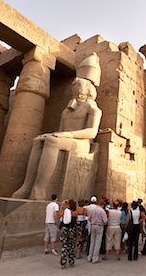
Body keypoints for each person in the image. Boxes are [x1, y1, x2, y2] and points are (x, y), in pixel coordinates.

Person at [12, 52, 102, 200]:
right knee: (38, 140)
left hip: (82, 144)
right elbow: (61, 130)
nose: (74, 89)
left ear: (86, 89)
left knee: (52, 141)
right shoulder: (67, 109)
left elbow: (92, 132)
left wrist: (67, 135)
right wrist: (58, 134)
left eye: (77, 86)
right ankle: (27, 186)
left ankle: (39, 188)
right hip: (66, 139)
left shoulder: (92, 108)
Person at [87, 196, 107, 263]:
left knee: (92, 242)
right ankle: (95, 258)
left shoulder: (93, 210)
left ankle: (90, 256)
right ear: (102, 204)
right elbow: (105, 220)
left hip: (93, 225)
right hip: (99, 226)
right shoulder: (102, 211)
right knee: (98, 242)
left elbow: (89, 218)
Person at [59, 199, 78, 269]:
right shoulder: (75, 212)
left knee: (64, 246)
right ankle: (71, 261)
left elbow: (59, 214)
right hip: (71, 230)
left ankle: (63, 263)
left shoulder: (65, 211)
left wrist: (62, 205)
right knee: (71, 246)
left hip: (64, 229)